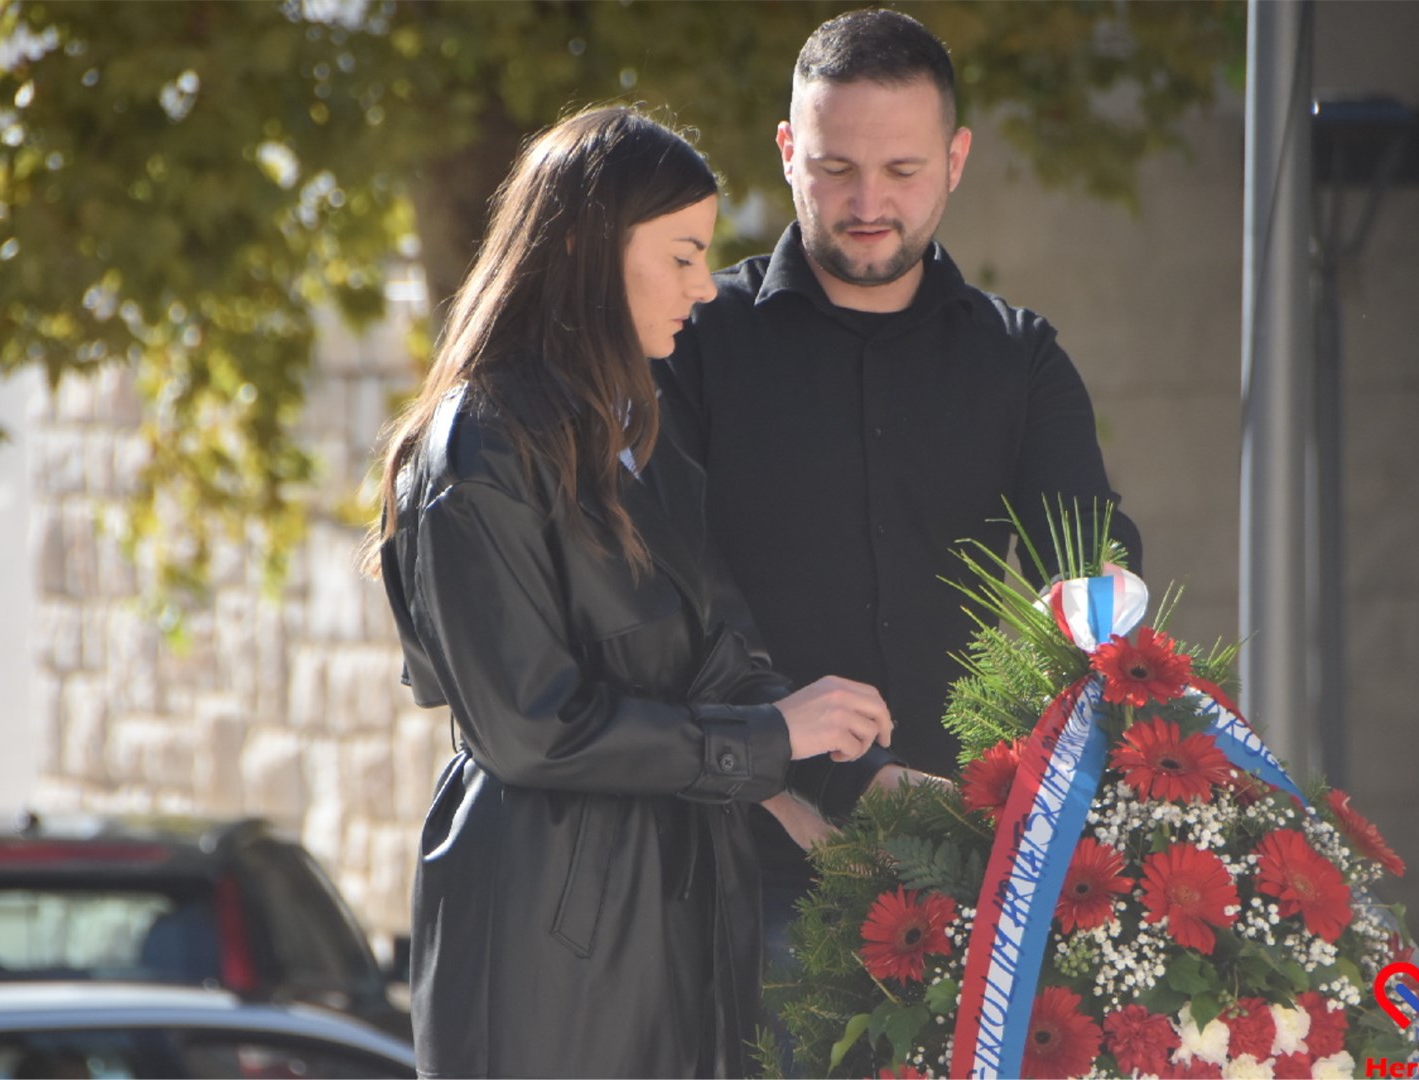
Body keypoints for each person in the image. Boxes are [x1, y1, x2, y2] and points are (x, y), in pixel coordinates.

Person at [359, 106, 895, 1079]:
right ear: (584, 248)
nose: (706, 287)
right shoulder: (478, 447)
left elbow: (721, 666)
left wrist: (856, 776)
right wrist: (772, 743)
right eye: (683, 256)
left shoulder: (635, 444)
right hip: (552, 939)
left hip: (676, 913)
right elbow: (532, 727)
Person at [650, 4, 1144, 1026]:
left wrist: (1101, 606)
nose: (867, 201)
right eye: (835, 167)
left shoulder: (1020, 360)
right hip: (744, 875)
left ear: (957, 159)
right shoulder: (696, 347)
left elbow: (1088, 560)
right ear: (787, 153)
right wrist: (800, 787)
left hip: (965, 882)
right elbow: (665, 595)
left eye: (903, 170)